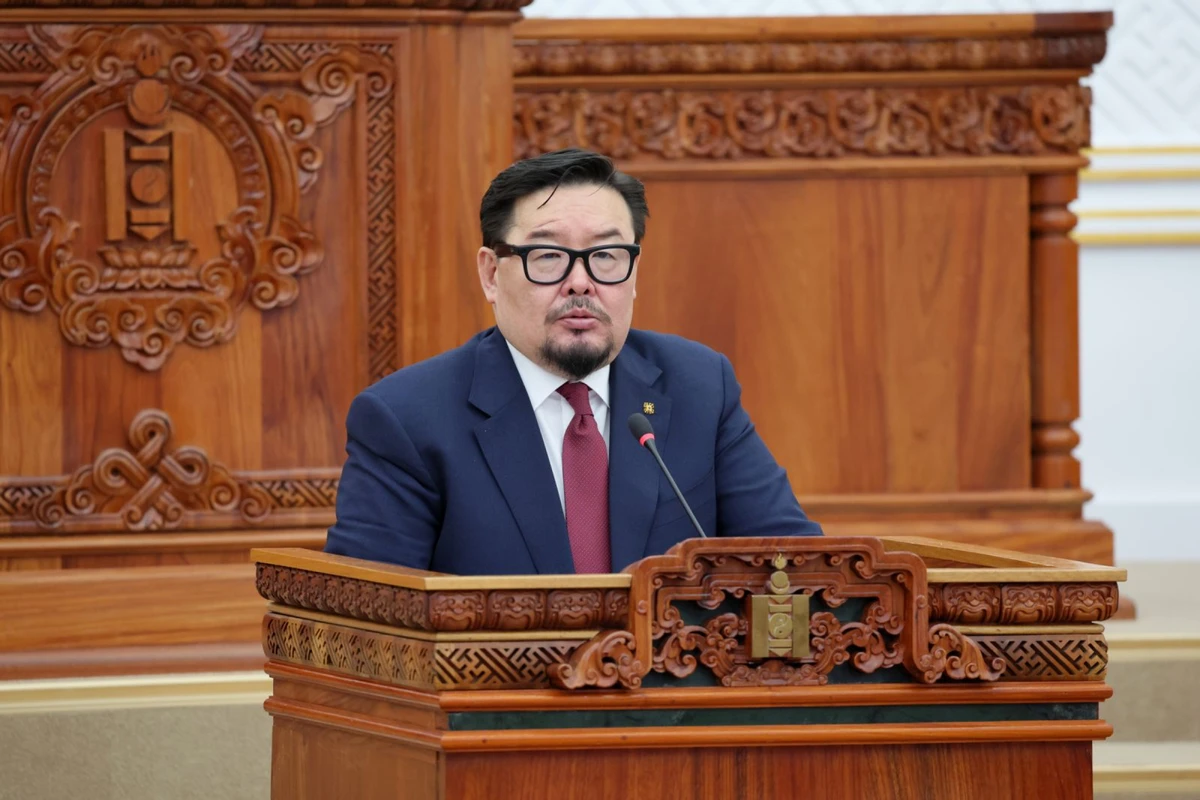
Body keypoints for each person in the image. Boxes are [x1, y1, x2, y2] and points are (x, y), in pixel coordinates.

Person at [324, 148, 822, 575]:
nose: (580, 282)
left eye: (606, 255)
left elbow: (797, 569)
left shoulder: (699, 387)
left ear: (634, 272)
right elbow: (367, 622)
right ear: (491, 275)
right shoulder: (406, 419)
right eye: (548, 255)